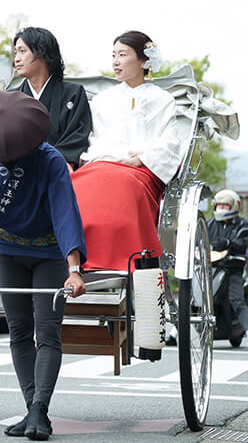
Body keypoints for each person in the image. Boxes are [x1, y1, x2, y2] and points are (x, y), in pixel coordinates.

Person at [0, 90, 87, 442]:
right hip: (8, 249)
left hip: (50, 251)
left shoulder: (50, 160)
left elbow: (65, 213)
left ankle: (40, 408)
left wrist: (74, 268)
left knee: (48, 330)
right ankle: (32, 409)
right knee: (19, 331)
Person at [70, 31, 182, 270]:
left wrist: (141, 157)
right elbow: (94, 139)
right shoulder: (102, 100)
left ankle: (126, 261)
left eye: (122, 55)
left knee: (124, 188)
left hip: (141, 169)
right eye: (113, 55)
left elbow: (169, 142)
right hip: (104, 163)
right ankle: (78, 259)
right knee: (75, 188)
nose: (116, 62)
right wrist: (113, 158)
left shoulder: (163, 100)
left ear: (143, 61)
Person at [12, 27, 92, 169]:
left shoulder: (73, 93)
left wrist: (64, 161)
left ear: (42, 52)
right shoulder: (10, 99)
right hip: (20, 170)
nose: (16, 59)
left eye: (22, 51)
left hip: (61, 167)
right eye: (16, 52)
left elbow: (78, 135)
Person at [209, 189, 248, 350]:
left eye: (225, 205)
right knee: (192, 297)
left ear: (233, 206)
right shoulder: (209, 223)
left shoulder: (243, 224)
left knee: (237, 300)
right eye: (219, 205)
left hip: (232, 270)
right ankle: (174, 334)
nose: (221, 208)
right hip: (209, 269)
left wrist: (228, 243)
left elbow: (242, 244)